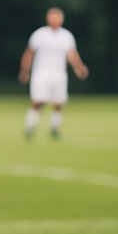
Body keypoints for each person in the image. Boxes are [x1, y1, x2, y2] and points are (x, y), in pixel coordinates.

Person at [19, 7, 89, 139]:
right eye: (53, 17)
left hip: (59, 74)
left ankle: (55, 128)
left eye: (57, 17)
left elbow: (71, 54)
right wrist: (25, 70)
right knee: (38, 101)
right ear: (48, 18)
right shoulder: (39, 34)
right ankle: (30, 127)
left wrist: (79, 66)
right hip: (41, 73)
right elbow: (29, 53)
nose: (55, 20)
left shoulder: (66, 36)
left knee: (59, 102)